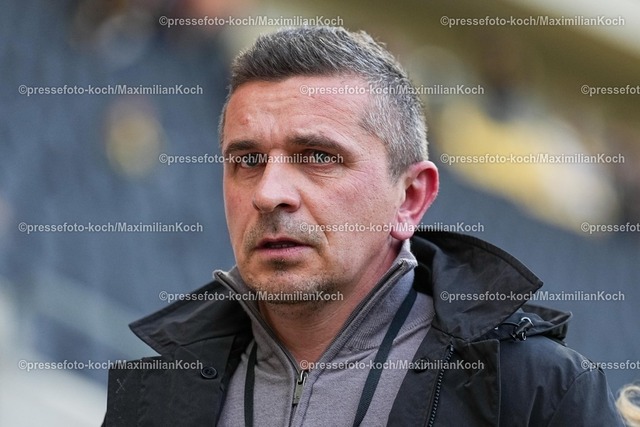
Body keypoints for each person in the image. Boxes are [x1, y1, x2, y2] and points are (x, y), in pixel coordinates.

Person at [103, 26, 624, 426]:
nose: (268, 192)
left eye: (318, 156)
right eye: (247, 160)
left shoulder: (539, 396)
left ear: (410, 198)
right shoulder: (153, 392)